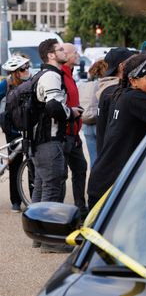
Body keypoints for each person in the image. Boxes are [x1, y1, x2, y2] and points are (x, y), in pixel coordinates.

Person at [86, 54, 146, 210]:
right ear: (133, 81)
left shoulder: (124, 94)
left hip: (105, 182)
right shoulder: (137, 98)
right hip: (112, 188)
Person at [33, 39, 83, 253]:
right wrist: (72, 113)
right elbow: (54, 107)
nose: (65, 51)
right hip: (50, 141)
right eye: (61, 49)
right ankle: (49, 242)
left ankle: (37, 236)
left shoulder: (40, 74)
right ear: (51, 55)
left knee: (41, 188)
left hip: (38, 142)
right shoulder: (52, 75)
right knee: (51, 190)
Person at [0, 55, 31, 212]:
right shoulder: (5, 84)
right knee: (15, 165)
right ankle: (16, 202)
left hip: (31, 129)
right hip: (13, 131)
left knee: (32, 164)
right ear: (14, 72)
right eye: (23, 68)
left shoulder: (32, 81)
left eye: (27, 67)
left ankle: (34, 200)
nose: (27, 70)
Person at [60, 43, 88, 217]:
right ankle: (59, 217)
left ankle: (81, 210)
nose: (78, 55)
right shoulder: (60, 76)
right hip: (64, 135)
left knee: (81, 168)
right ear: (66, 55)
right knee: (60, 176)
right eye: (75, 52)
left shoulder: (69, 75)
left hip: (74, 134)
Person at [96, 47, 134, 157]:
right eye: (132, 61)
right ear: (122, 65)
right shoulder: (115, 91)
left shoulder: (106, 88)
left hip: (104, 153)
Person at [78, 59, 107, 168]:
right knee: (104, 160)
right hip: (100, 123)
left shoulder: (87, 84)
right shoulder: (104, 85)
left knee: (93, 160)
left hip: (87, 124)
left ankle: (93, 183)